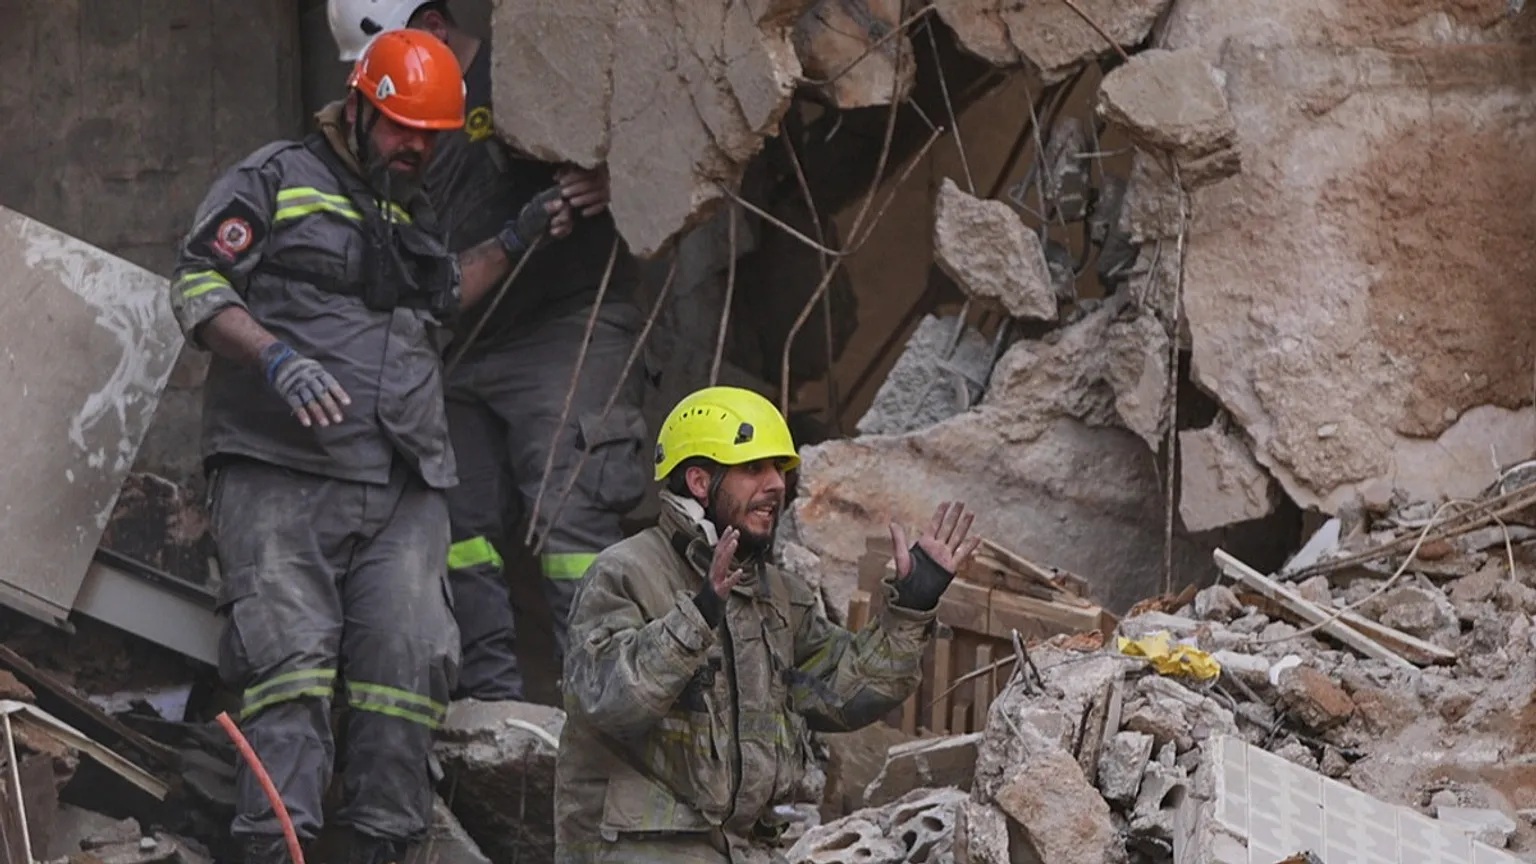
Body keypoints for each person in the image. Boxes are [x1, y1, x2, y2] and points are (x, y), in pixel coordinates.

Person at [167, 29, 572, 864]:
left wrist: (519, 235)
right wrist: (274, 356)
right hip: (280, 473)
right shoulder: (276, 178)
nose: (414, 147)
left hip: (401, 482)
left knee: (409, 669)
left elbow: (444, 292)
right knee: (290, 668)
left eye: (430, 135)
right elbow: (199, 282)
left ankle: (386, 847)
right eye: (400, 127)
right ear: (357, 107)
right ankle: (280, 849)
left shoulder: (409, 212)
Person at [327, 0, 651, 702]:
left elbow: (656, 136)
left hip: (563, 325)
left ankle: (602, 714)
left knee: (570, 521)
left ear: (433, 30)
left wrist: (614, 178)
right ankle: (495, 714)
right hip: (456, 344)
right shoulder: (385, 121)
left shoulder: (533, 71)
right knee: (458, 526)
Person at [553, 386, 981, 863]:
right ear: (699, 481)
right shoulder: (625, 572)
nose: (777, 484)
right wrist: (698, 616)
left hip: (745, 849)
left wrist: (910, 608)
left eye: (779, 469)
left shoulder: (777, 596)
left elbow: (845, 694)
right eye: (754, 468)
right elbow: (607, 701)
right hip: (637, 850)